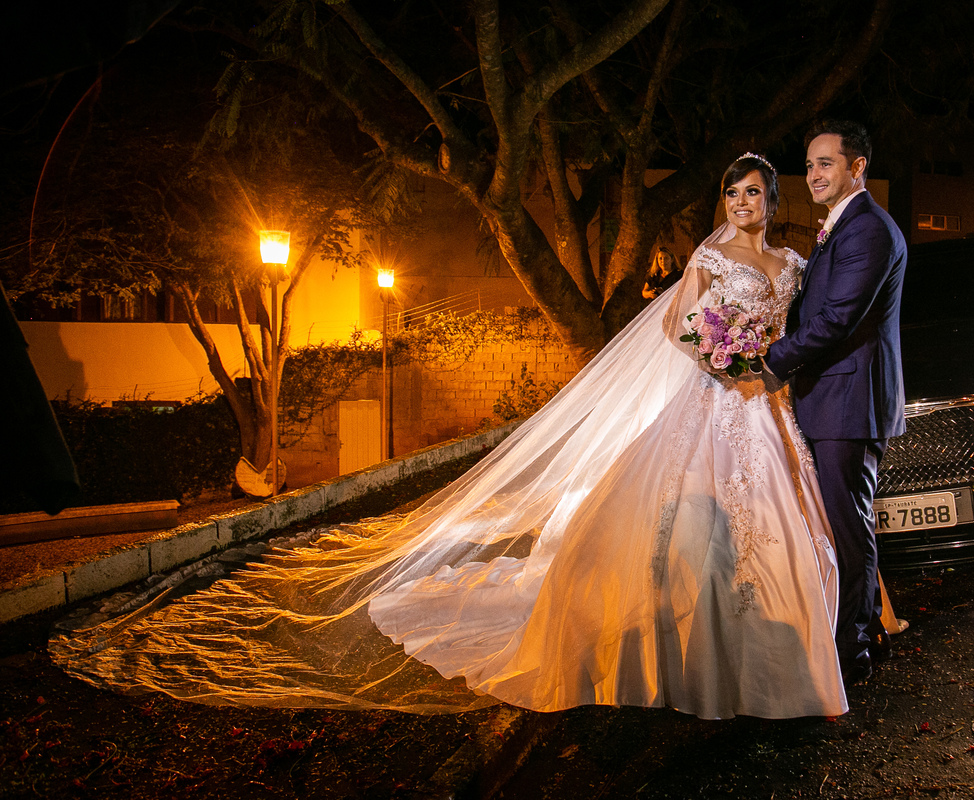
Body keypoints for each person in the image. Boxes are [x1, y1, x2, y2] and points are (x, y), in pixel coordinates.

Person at [52, 154, 847, 720]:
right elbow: (678, 330)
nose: (744, 202)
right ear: (724, 201)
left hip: (763, 409)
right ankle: (681, 653)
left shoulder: (791, 263)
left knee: (773, 533)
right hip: (712, 399)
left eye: (755, 193)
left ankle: (778, 668)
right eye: (734, 192)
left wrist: (761, 363)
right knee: (681, 530)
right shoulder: (707, 255)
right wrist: (719, 356)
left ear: (772, 202)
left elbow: (802, 332)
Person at [764, 120, 907, 685]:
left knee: (849, 524)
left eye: (827, 163)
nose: (815, 174)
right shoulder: (841, 227)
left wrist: (770, 359)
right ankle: (858, 629)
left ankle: (855, 647)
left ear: (857, 167)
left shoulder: (868, 229)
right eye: (810, 165)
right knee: (840, 520)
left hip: (850, 398)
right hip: (833, 396)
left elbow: (836, 319)